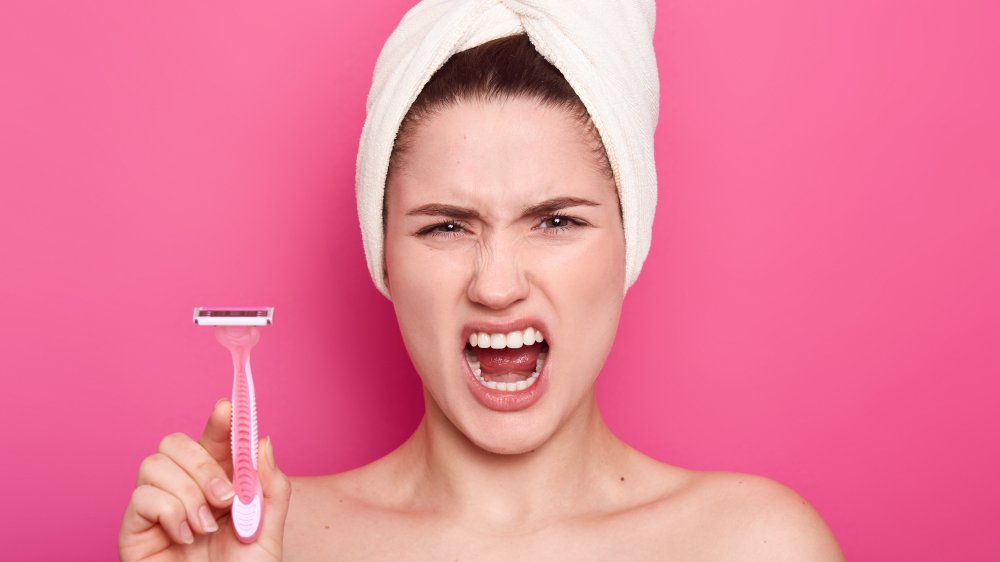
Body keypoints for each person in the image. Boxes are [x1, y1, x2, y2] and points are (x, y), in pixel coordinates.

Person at [119, 3, 845, 560]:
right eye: (446, 226)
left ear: (631, 243)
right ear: (384, 257)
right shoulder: (267, 541)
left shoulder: (753, 545)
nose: (496, 286)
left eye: (556, 222)